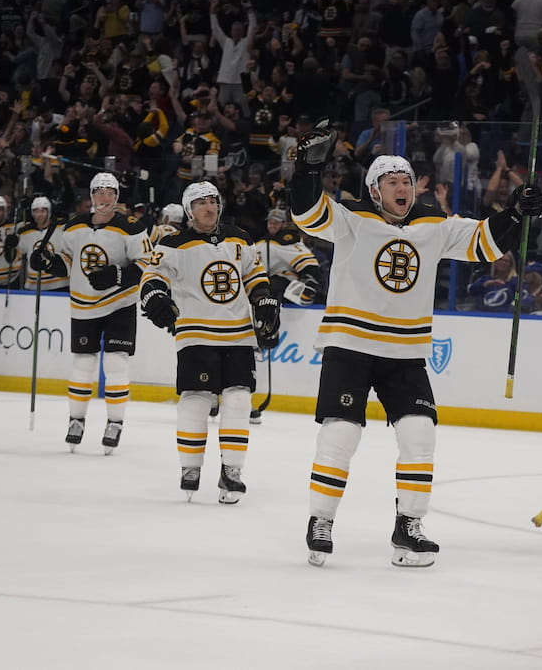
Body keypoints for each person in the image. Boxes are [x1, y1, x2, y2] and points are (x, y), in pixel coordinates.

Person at [289, 123, 540, 568]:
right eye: (392, 182)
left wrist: (517, 213)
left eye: (406, 180)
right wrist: (308, 168)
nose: (402, 187)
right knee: (342, 434)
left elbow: (483, 242)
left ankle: (409, 526)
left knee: (420, 434)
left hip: (405, 352)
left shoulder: (432, 224)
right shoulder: (351, 220)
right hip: (350, 344)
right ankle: (320, 520)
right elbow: (306, 213)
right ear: (374, 190)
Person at [139, 181, 280, 503]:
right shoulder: (174, 243)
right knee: (196, 398)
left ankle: (232, 471)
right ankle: (190, 467)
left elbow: (255, 275)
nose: (209, 207)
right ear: (190, 210)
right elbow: (152, 275)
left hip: (239, 333)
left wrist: (264, 301)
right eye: (201, 202)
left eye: (213, 201)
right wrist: (155, 296)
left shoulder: (239, 238)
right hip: (196, 332)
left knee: (239, 400)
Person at [29, 173, 152, 454]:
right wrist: (47, 262)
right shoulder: (74, 227)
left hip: (119, 303)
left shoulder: (131, 228)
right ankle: (76, 420)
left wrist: (117, 274)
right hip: (83, 304)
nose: (105, 198)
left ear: (117, 196)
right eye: (100, 192)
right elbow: (66, 264)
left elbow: (147, 265)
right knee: (82, 363)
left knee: (115, 362)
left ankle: (115, 422)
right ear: (92, 196)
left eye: (110, 192)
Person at [255, 207, 323, 307]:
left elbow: (307, 263)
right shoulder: (261, 243)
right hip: (265, 282)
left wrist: (308, 276)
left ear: (284, 224)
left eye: (276, 222)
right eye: (270, 222)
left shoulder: (288, 240)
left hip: (286, 281)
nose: (272, 225)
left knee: (273, 287)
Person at [19, 197, 69, 293]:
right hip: (33, 285)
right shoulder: (26, 232)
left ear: (49, 212)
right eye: (36, 211)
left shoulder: (61, 228)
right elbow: (21, 250)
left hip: (59, 284)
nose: (39, 215)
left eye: (43, 211)